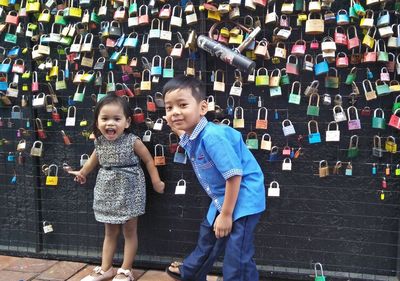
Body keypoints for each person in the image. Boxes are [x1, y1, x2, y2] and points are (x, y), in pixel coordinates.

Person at [162, 76, 266, 281]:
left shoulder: (212, 137)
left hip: (243, 198)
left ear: (202, 108)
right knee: (208, 234)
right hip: (222, 196)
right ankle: (190, 273)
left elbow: (234, 175)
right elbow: (182, 134)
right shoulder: (193, 135)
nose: (175, 112)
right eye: (168, 108)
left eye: (182, 105)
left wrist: (227, 215)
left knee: (237, 254)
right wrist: (173, 123)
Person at [67, 94, 165, 281]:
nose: (110, 123)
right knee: (110, 231)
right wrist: (82, 173)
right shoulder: (99, 142)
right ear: (97, 122)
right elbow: (91, 162)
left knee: (129, 231)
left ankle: (126, 270)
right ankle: (106, 269)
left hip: (130, 189)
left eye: (116, 119)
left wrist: (156, 181)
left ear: (127, 122)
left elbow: (148, 160)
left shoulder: (132, 141)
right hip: (106, 188)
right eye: (104, 119)